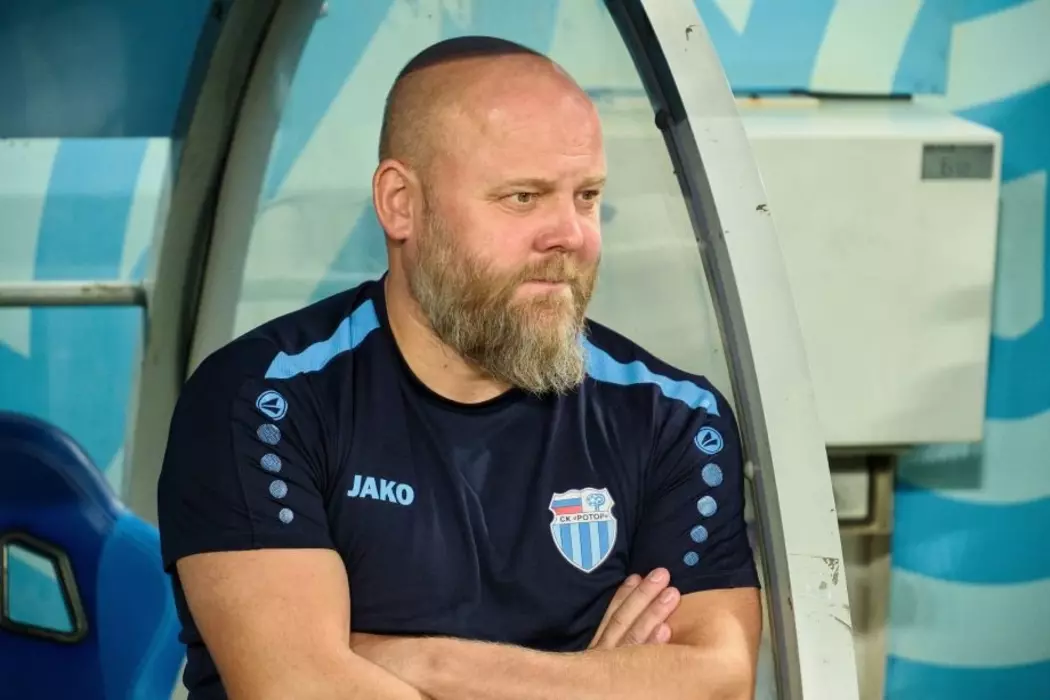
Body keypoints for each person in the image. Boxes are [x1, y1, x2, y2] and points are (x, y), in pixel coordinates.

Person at [157, 35, 761, 700]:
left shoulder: (673, 417)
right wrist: (595, 682)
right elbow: (304, 691)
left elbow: (719, 680)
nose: (570, 234)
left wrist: (428, 665)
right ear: (400, 203)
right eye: (523, 197)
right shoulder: (264, 402)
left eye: (587, 196)